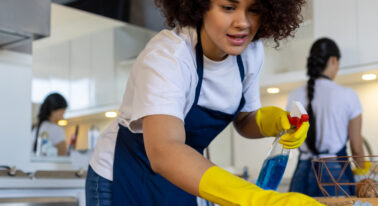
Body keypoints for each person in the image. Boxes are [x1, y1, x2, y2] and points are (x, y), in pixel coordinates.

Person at [85, 0, 323, 205]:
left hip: (183, 174)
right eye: (228, 7)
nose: (243, 22)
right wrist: (255, 199)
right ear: (201, 6)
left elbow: (244, 119)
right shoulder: (168, 57)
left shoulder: (250, 53)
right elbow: (164, 150)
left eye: (255, 9)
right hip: (124, 175)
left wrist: (274, 121)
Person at [286, 38, 367, 196]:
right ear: (333, 60)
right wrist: (365, 172)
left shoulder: (294, 96)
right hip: (335, 171)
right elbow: (357, 146)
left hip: (302, 169)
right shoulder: (348, 95)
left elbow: (291, 137)